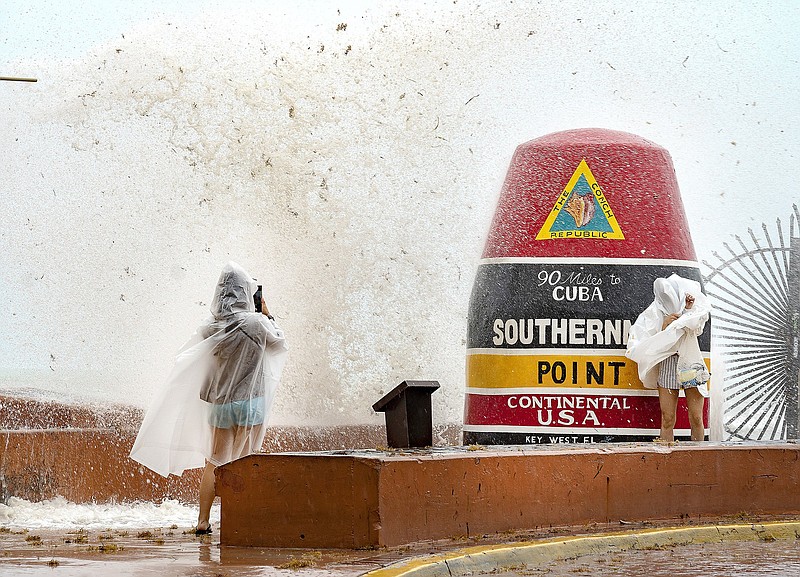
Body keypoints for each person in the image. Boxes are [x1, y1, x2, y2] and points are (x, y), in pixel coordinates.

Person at [130, 261, 288, 533]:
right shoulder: (257, 323)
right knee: (246, 459)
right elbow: (279, 344)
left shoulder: (210, 326)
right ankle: (240, 518)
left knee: (215, 461)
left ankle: (203, 521)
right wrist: (267, 313)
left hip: (220, 405)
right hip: (251, 403)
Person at [626, 274, 711, 442]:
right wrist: (664, 327)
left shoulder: (693, 309)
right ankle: (666, 462)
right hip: (668, 365)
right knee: (668, 418)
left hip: (690, 364)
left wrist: (687, 311)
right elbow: (646, 340)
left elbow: (696, 326)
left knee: (696, 418)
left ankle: (699, 461)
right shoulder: (654, 313)